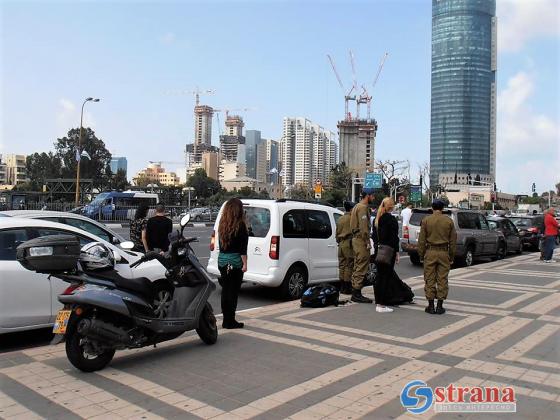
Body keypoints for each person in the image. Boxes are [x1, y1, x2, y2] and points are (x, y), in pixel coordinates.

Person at [374, 197, 415, 312]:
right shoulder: (391, 220)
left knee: (379, 277)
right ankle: (381, 305)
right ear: (391, 206)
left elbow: (375, 236)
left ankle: (379, 302)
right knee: (385, 277)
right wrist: (396, 252)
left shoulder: (377, 219)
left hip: (379, 251)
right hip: (388, 251)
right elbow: (394, 238)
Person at [417, 200, 457, 315]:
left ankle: (430, 306)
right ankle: (440, 306)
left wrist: (421, 254)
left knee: (429, 278)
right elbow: (453, 241)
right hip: (444, 252)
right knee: (442, 279)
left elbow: (421, 240)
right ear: (443, 208)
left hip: (430, 251)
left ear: (432, 208)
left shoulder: (426, 220)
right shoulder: (449, 221)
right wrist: (451, 255)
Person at [217, 198, 248, 329]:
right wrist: (245, 264)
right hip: (234, 263)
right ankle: (231, 321)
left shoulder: (222, 224)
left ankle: (225, 320)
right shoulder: (240, 225)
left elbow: (221, 245)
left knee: (225, 290)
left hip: (222, 261)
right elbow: (242, 249)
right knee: (233, 292)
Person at [350, 189, 375, 303]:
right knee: (362, 265)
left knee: (357, 264)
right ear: (368, 196)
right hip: (361, 240)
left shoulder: (356, 206)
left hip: (355, 239)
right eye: (372, 196)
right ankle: (357, 293)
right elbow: (364, 228)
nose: (373, 198)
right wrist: (367, 242)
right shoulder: (363, 208)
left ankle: (355, 290)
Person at [336, 201, 355, 295]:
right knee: (349, 264)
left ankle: (342, 286)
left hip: (341, 243)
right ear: (351, 209)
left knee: (342, 265)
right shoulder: (352, 218)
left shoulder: (340, 218)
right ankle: (347, 287)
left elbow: (337, 233)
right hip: (349, 242)